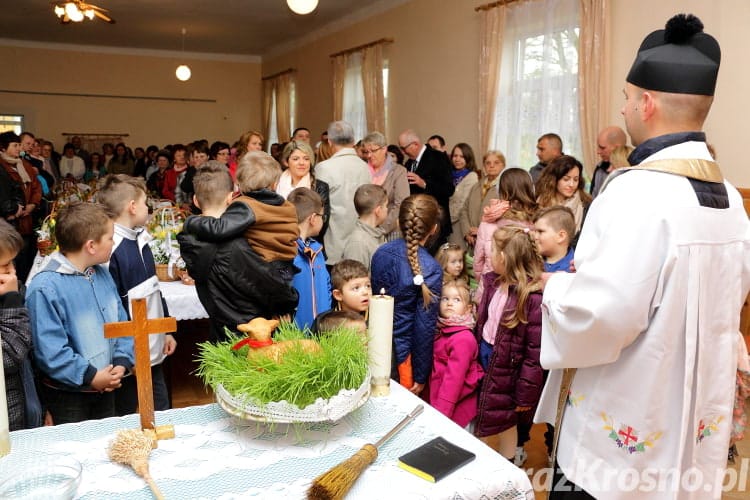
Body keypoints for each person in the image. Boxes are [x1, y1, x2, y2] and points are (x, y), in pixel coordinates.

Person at [535, 14, 750, 498]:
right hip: (689, 431)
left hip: (620, 446)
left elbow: (603, 315)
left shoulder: (636, 192)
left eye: (627, 98)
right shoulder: (732, 201)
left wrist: (557, 289)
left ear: (647, 103)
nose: (624, 107)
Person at [26, 202, 134, 425]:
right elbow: (50, 350)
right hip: (70, 396)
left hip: (108, 383)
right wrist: (91, 376)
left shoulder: (101, 274)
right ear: (91, 246)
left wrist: (121, 362)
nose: (114, 243)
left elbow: (122, 322)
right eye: (110, 238)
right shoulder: (45, 288)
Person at [178, 163, 298, 342]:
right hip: (254, 336)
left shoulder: (189, 240)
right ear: (231, 197)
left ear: (195, 200)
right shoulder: (236, 245)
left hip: (219, 333)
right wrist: (289, 302)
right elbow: (270, 285)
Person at [97, 174, 176, 415]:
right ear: (132, 207)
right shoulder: (113, 249)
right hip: (129, 351)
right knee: (127, 410)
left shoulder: (141, 239)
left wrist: (166, 330)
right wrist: (125, 352)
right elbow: (112, 308)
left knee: (161, 406)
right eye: (144, 204)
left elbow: (153, 288)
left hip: (153, 342)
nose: (147, 209)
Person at [474, 226, 544, 463]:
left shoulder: (531, 298)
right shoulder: (494, 282)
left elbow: (534, 354)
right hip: (486, 355)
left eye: (492, 250)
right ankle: (476, 460)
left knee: (506, 419)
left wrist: (525, 394)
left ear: (503, 257)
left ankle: (508, 462)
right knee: (483, 410)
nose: (489, 254)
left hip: (508, 369)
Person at [182, 151, 299, 285]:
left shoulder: (247, 206)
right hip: (286, 269)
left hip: (262, 270)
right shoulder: (287, 206)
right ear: (275, 183)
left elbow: (219, 229)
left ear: (240, 183)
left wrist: (192, 221)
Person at [371, 194, 442, 395]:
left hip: (376, 344)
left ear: (398, 223)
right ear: (433, 228)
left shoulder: (380, 253)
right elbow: (424, 326)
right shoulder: (431, 268)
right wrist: (420, 374)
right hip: (405, 355)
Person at [0, 219, 41, 430]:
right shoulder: (10, 298)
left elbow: (30, 354)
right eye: (4, 266)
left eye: (13, 263)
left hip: (19, 414)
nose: (13, 273)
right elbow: (7, 356)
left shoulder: (13, 290)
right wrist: (11, 302)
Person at [474, 168, 537, 298]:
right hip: (522, 292)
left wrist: (481, 285)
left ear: (500, 192)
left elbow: (478, 262)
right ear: (531, 190)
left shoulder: (488, 222)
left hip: (489, 290)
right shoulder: (535, 224)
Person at [315, 121, 371, 266]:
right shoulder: (364, 167)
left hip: (332, 246)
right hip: (360, 244)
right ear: (353, 141)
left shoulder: (323, 168)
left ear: (329, 141)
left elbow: (320, 209)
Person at [429, 279, 483, 429]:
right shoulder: (443, 330)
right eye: (445, 298)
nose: (449, 303)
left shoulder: (463, 339)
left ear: (468, 309)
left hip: (457, 410)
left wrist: (441, 414)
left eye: (456, 300)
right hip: (441, 405)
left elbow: (454, 380)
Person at [398, 129, 455, 249]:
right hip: (416, 222)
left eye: (404, 148)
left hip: (435, 223)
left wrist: (424, 184)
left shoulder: (438, 157)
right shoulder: (409, 163)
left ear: (415, 144)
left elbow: (449, 189)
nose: (403, 152)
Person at [0, 131, 42, 284]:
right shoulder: (2, 166)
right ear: (3, 148)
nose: (19, 148)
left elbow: (37, 187)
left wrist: (32, 204)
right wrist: (15, 208)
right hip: (11, 220)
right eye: (15, 145)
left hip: (27, 217)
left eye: (19, 145)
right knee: (14, 256)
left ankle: (24, 285)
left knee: (27, 258)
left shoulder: (24, 164)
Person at [288, 187, 331, 331]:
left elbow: (327, 286)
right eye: (322, 216)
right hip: (295, 335)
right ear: (313, 219)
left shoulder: (317, 250)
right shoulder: (288, 251)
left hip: (321, 332)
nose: (323, 221)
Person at [277, 141, 330, 242]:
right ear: (286, 162)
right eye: (295, 159)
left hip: (310, 246)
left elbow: (323, 224)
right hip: (280, 243)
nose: (301, 163)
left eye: (306, 158)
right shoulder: (276, 184)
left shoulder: (320, 187)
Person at [362, 132, 410, 241]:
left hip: (390, 231)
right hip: (366, 229)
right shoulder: (362, 170)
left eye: (373, 151)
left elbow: (401, 203)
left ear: (384, 149)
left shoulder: (398, 171)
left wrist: (381, 229)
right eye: (366, 152)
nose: (369, 155)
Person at [458, 150, 504, 252]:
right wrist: (467, 232)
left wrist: (481, 232)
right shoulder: (476, 186)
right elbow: (464, 210)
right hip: (472, 241)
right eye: (488, 163)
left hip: (492, 244)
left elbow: (505, 219)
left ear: (503, 165)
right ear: (484, 166)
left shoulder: (505, 188)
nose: (491, 166)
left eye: (496, 162)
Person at [535, 155, 591, 237]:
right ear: (554, 179)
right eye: (566, 179)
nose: (571, 184)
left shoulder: (585, 205)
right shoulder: (541, 201)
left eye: (576, 179)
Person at [341, 184, 387, 270]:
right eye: (386, 206)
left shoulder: (378, 234)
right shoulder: (357, 243)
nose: (387, 209)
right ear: (378, 210)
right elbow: (355, 278)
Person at [447, 143, 480, 250]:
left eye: (462, 157)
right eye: (455, 156)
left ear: (468, 158)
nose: (457, 159)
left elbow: (462, 204)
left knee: (456, 258)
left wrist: (444, 219)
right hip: (446, 224)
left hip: (459, 225)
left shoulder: (471, 176)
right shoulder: (448, 174)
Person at [533, 206, 576, 273]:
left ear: (561, 236)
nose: (535, 236)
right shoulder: (530, 261)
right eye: (534, 231)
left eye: (540, 231)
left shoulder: (574, 270)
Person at [590, 126, 627, 198]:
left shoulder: (636, 170)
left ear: (617, 148)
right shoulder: (599, 168)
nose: (598, 152)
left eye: (602, 148)